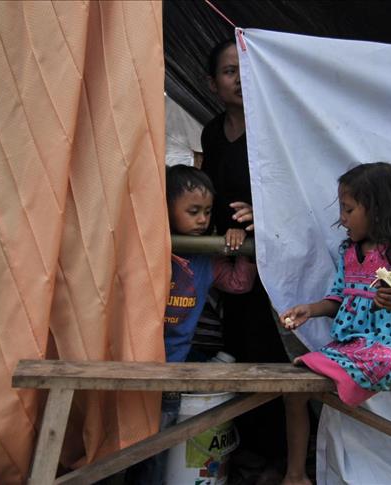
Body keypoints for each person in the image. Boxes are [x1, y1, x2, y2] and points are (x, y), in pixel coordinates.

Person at [278, 162, 391, 485]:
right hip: (346, 347)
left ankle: (338, 376)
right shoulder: (349, 251)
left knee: (386, 359)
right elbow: (340, 299)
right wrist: (309, 310)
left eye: (349, 209)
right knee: (293, 391)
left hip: (389, 347)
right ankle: (295, 475)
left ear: (378, 210)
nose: (342, 218)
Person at [200, 38, 300, 479]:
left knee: (273, 353)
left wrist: (264, 216)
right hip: (230, 264)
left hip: (273, 263)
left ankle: (284, 457)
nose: (239, 80)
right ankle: (252, 451)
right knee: (238, 348)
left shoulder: (273, 128)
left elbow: (297, 190)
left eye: (244, 70)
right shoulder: (211, 133)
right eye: (229, 72)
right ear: (212, 83)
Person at [126, 164, 256, 484]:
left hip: (174, 367)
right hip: (133, 363)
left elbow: (239, 283)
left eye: (207, 212)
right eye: (193, 211)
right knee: (124, 441)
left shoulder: (206, 257)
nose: (202, 220)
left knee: (159, 444)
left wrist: (244, 245)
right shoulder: (148, 247)